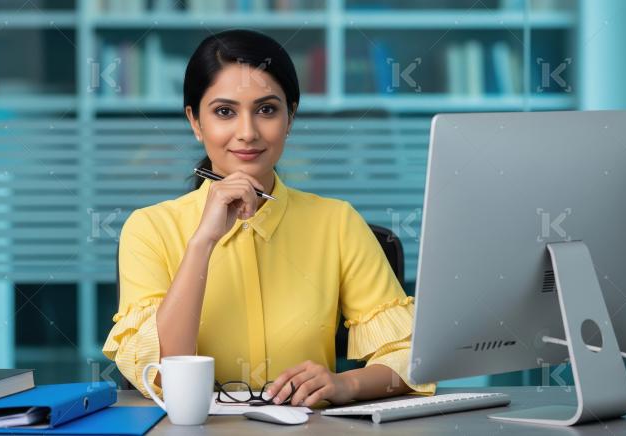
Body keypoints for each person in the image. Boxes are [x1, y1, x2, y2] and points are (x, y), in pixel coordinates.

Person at [102, 29, 435, 408]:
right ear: (195, 122)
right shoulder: (149, 229)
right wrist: (203, 242)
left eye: (267, 110)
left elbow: (412, 358)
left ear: (290, 118)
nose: (247, 133)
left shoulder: (337, 223)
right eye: (225, 112)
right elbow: (162, 376)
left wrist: (347, 385)